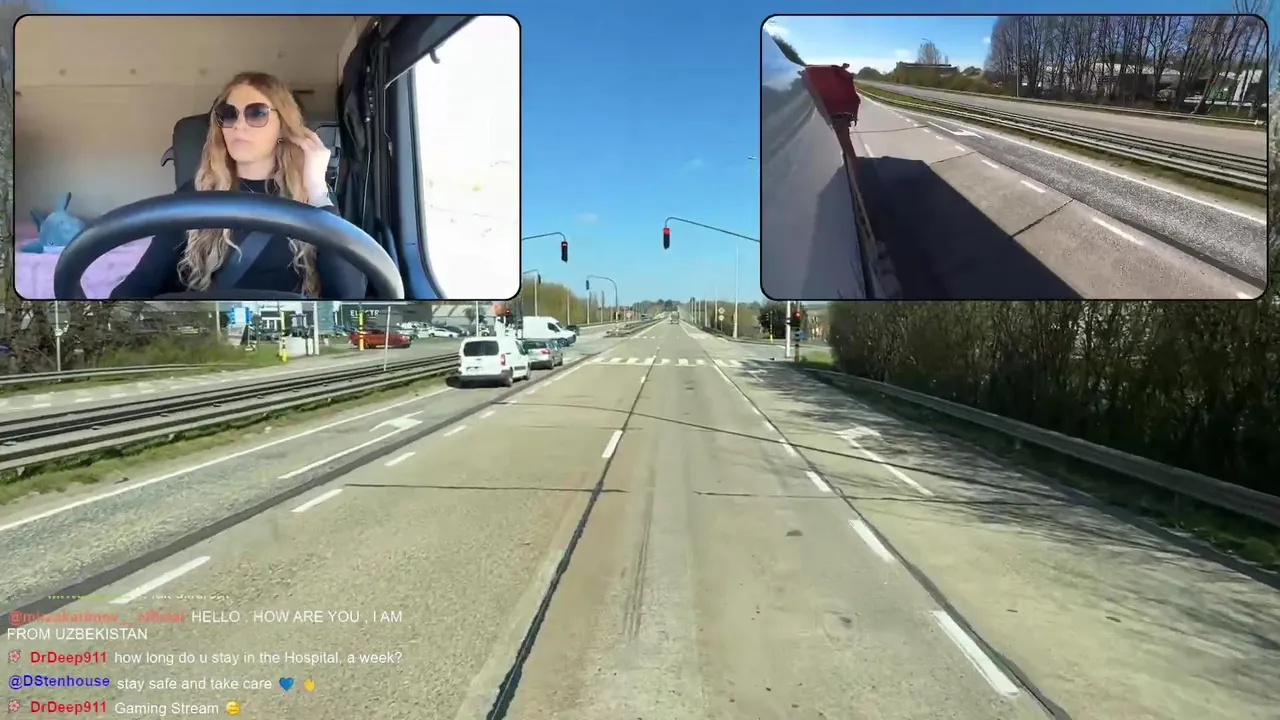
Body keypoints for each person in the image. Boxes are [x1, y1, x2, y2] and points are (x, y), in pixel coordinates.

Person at [110, 72, 367, 299]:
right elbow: (139, 284)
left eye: (257, 113)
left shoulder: (313, 197)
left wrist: (317, 189)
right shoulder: (195, 197)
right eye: (229, 114)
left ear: (282, 127)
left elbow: (350, 294)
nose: (239, 125)